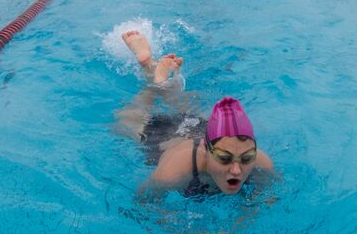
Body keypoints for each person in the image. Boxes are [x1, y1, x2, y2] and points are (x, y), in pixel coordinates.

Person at [114, 31, 273, 198]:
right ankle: (151, 78)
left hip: (200, 127)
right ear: (206, 149)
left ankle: (161, 80)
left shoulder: (262, 164)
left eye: (247, 158)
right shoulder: (172, 173)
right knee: (125, 123)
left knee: (191, 112)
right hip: (165, 139)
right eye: (224, 159)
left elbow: (271, 199)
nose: (236, 170)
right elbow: (144, 203)